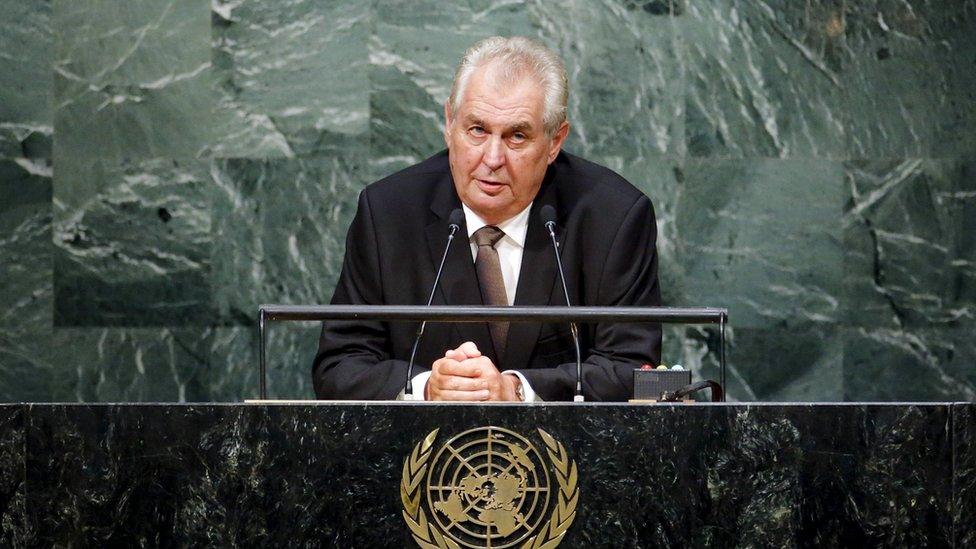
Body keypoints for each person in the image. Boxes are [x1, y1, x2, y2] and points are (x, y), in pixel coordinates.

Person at [313, 36, 661, 402]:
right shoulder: (388, 213)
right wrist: (428, 387)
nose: (492, 159)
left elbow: (632, 368)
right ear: (449, 122)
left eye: (517, 136)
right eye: (477, 130)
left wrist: (516, 389)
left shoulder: (614, 217)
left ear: (555, 141)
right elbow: (339, 365)